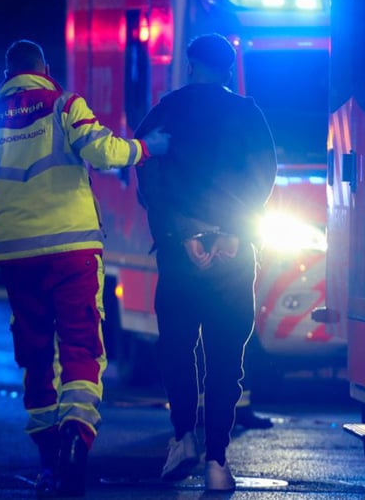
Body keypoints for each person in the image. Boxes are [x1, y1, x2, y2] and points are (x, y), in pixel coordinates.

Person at [0, 40, 170, 498]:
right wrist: (147, 149)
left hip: (17, 255)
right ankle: (77, 434)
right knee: (82, 344)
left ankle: (48, 460)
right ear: (44, 68)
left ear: (6, 74)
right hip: (72, 249)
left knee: (34, 352)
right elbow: (105, 152)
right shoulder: (65, 105)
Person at [134, 33, 277, 491]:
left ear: (192, 64)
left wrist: (182, 234)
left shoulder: (168, 109)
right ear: (230, 69)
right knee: (225, 359)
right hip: (235, 256)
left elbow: (146, 169)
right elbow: (264, 177)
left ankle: (183, 437)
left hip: (181, 253)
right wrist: (234, 232)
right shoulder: (249, 112)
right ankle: (218, 461)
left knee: (177, 349)